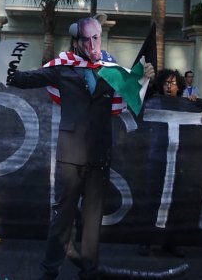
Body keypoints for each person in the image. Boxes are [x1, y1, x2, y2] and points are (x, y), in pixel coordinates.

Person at [8, 17, 154, 279]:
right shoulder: (63, 67)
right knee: (62, 216)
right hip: (70, 156)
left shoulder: (111, 70)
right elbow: (24, 79)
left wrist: (148, 80)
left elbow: (137, 96)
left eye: (96, 37)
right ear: (76, 42)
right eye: (86, 39)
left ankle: (89, 270)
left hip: (100, 152)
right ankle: (49, 269)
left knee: (92, 219)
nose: (92, 43)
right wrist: (3, 64)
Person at [138, 69, 186, 258]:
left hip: (178, 161)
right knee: (152, 201)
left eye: (173, 83)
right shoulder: (153, 101)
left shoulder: (185, 105)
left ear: (179, 86)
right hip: (156, 159)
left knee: (176, 203)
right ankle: (145, 241)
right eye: (166, 82)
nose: (169, 86)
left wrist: (195, 101)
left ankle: (170, 242)